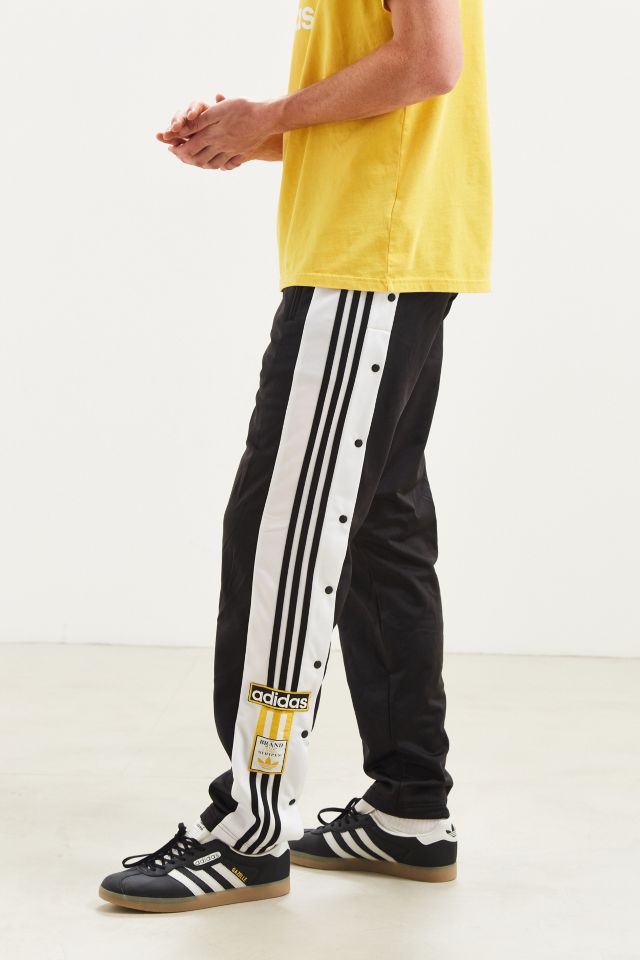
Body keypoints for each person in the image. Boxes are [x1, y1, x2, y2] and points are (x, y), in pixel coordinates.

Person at [99, 0, 491, 912]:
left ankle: (249, 826)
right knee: (380, 528)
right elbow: (393, 99)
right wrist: (251, 134)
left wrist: (270, 115)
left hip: (366, 259)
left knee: (286, 534)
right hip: (389, 248)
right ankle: (407, 811)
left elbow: (428, 65)